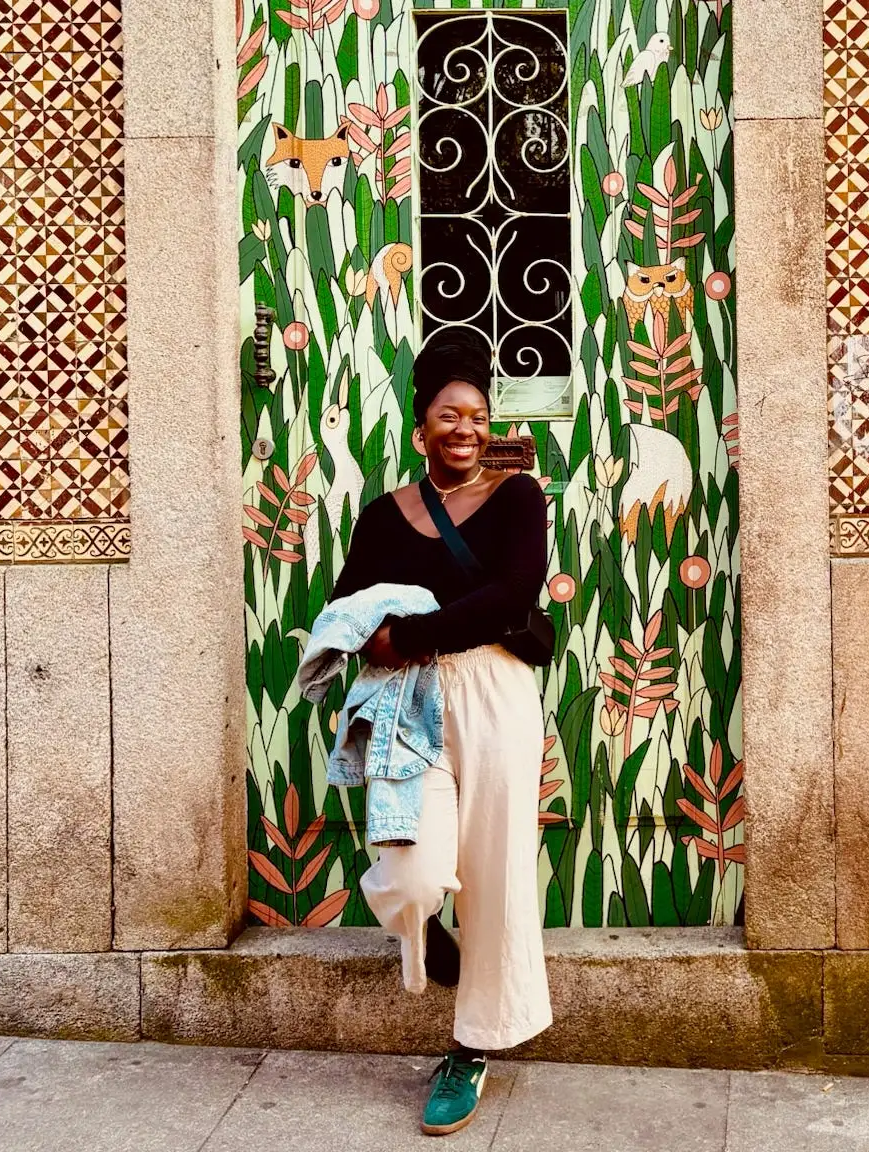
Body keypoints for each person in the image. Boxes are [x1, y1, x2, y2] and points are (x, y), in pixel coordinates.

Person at [330, 330, 552, 1135]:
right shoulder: (384, 515)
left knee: (494, 869)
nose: (466, 428)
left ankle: (471, 1046)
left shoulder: (519, 499)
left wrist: (411, 631)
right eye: (448, 415)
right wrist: (378, 640)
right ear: (421, 430)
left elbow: (512, 595)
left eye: (478, 415)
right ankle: (426, 926)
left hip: (495, 691)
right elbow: (347, 608)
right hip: (405, 700)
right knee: (409, 874)